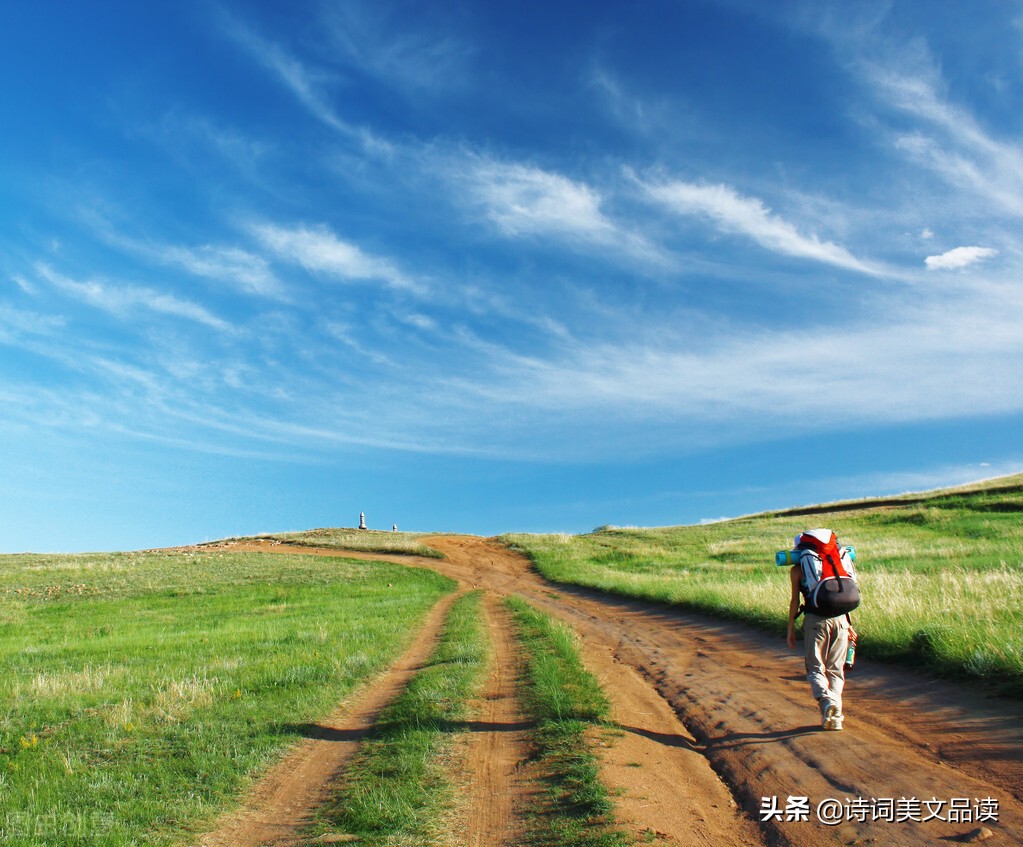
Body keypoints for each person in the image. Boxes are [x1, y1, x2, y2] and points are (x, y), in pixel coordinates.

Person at [786, 528, 857, 731]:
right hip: (841, 620)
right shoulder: (838, 561)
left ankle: (827, 703)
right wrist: (849, 625)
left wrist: (790, 628)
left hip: (816, 621)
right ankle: (835, 719)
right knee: (836, 670)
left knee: (815, 668)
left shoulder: (797, 571)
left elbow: (794, 601)